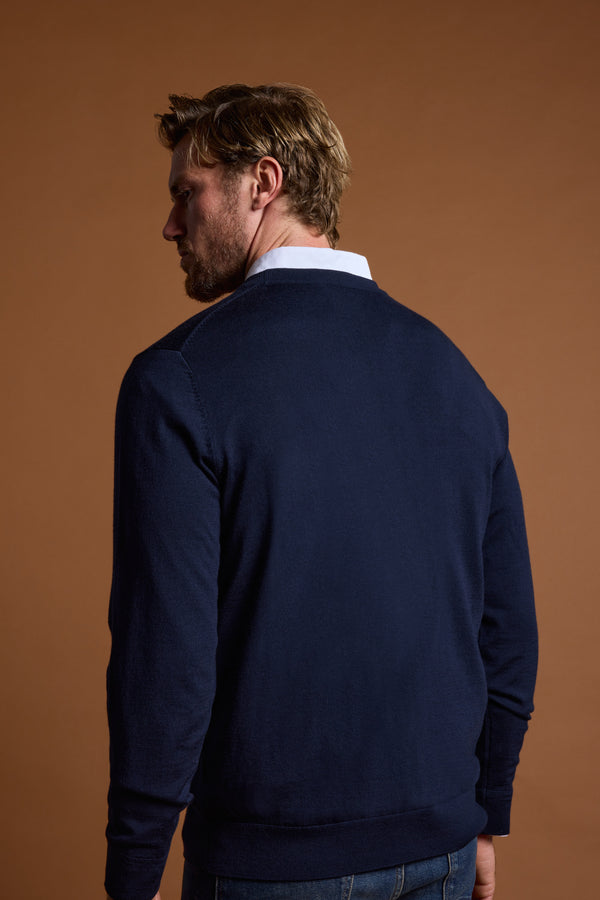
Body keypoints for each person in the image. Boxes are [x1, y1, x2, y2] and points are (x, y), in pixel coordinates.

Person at [105, 83, 537, 900]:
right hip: (443, 847)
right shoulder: (452, 371)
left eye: (187, 192)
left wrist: (133, 870)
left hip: (272, 866)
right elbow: (507, 626)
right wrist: (487, 815)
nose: (171, 224)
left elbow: (164, 660)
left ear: (262, 183)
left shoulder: (179, 380)